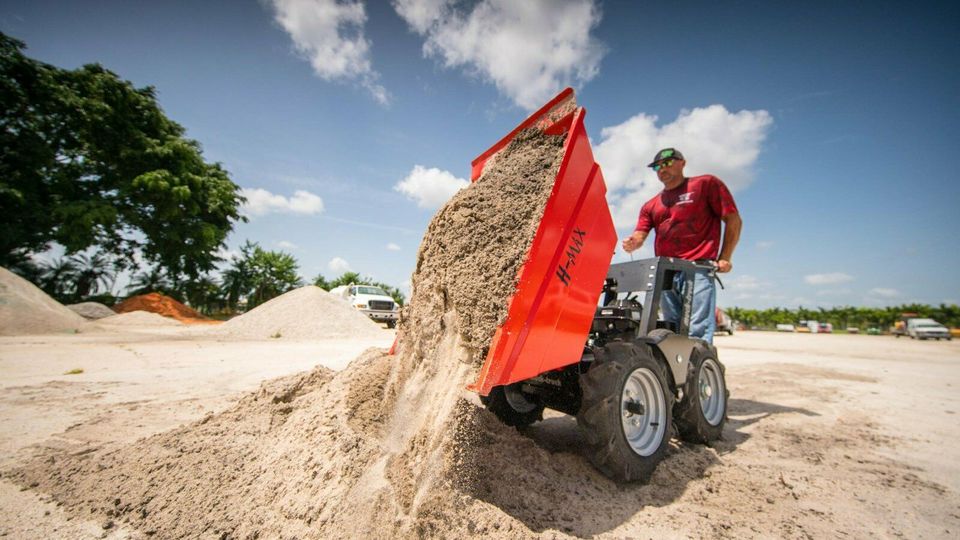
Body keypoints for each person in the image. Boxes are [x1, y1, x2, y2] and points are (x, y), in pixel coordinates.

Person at [621, 148, 742, 343]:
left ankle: (699, 369)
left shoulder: (705, 185)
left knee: (697, 330)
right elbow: (640, 234)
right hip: (666, 272)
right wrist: (633, 242)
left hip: (698, 268)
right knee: (672, 329)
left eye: (668, 163)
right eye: (658, 167)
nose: (662, 169)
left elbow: (733, 220)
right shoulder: (651, 205)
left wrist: (725, 257)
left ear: (682, 163)